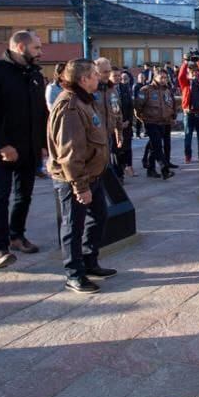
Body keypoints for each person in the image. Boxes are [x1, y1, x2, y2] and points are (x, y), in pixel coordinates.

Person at [0, 31, 48, 270]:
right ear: (20, 47)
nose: (40, 52)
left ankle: (17, 235)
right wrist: (2, 145)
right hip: (1, 151)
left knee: (23, 196)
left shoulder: (35, 75)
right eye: (36, 48)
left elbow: (40, 113)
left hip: (28, 149)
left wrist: (44, 144)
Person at [47, 59, 117, 294]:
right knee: (72, 226)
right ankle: (74, 274)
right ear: (84, 79)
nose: (99, 78)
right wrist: (80, 187)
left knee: (100, 216)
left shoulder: (86, 101)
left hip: (92, 175)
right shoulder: (71, 107)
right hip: (74, 179)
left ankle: (89, 262)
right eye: (95, 75)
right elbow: (70, 152)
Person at [135, 68, 177, 179]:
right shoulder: (146, 90)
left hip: (163, 122)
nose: (163, 80)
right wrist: (143, 120)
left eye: (165, 78)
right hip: (151, 122)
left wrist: (172, 117)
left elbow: (170, 105)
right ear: (155, 77)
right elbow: (138, 107)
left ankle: (151, 169)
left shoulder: (167, 91)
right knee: (157, 145)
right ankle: (164, 169)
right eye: (161, 77)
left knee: (154, 147)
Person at [92, 58, 124, 177]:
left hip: (108, 135)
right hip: (93, 137)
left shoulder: (112, 90)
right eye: (105, 72)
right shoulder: (89, 91)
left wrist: (119, 132)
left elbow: (117, 112)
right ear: (96, 72)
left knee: (106, 166)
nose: (108, 74)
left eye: (108, 71)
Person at [177, 56, 199, 163]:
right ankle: (188, 156)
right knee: (188, 137)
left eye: (196, 72)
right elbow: (180, 76)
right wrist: (185, 62)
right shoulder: (185, 83)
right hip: (189, 114)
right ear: (188, 73)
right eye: (192, 72)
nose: (195, 73)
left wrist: (198, 60)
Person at [116, 69, 136, 177]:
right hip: (115, 125)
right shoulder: (110, 90)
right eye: (119, 77)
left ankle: (129, 166)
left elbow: (130, 107)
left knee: (127, 146)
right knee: (118, 149)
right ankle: (120, 171)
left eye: (124, 78)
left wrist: (128, 120)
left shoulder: (126, 89)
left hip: (126, 123)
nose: (122, 80)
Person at [131, 72, 147, 138]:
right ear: (138, 78)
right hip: (139, 104)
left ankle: (146, 132)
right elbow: (134, 96)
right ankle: (138, 133)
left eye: (142, 77)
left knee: (146, 119)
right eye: (140, 77)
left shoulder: (146, 85)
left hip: (145, 104)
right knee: (138, 120)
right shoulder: (136, 86)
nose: (141, 79)